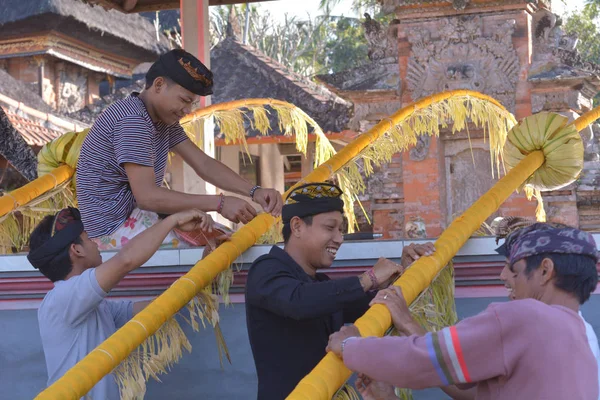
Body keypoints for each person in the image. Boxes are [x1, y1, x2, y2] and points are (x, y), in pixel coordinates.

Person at [328, 222, 599, 400]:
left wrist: (351, 346)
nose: (503, 275)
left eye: (513, 269)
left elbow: (426, 361)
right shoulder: (581, 339)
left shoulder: (526, 317)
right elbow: (474, 387)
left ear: (545, 270)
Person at [76, 48, 282, 250]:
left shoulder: (161, 121)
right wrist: (219, 203)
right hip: (112, 231)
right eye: (184, 100)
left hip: (139, 218)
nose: (187, 111)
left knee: (226, 239)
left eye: (191, 104)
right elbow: (148, 197)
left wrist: (254, 191)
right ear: (158, 85)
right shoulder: (133, 121)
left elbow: (203, 164)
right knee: (224, 249)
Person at [244, 182, 433, 400]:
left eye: (341, 230)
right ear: (297, 227)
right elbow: (299, 302)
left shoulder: (321, 284)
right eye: (330, 228)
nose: (339, 238)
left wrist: (406, 274)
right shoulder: (265, 269)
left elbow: (375, 305)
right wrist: (369, 278)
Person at [28, 207, 216, 399]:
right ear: (76, 250)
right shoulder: (63, 297)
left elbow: (156, 307)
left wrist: (204, 269)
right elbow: (126, 260)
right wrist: (173, 220)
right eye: (88, 238)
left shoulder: (93, 306)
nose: (95, 243)